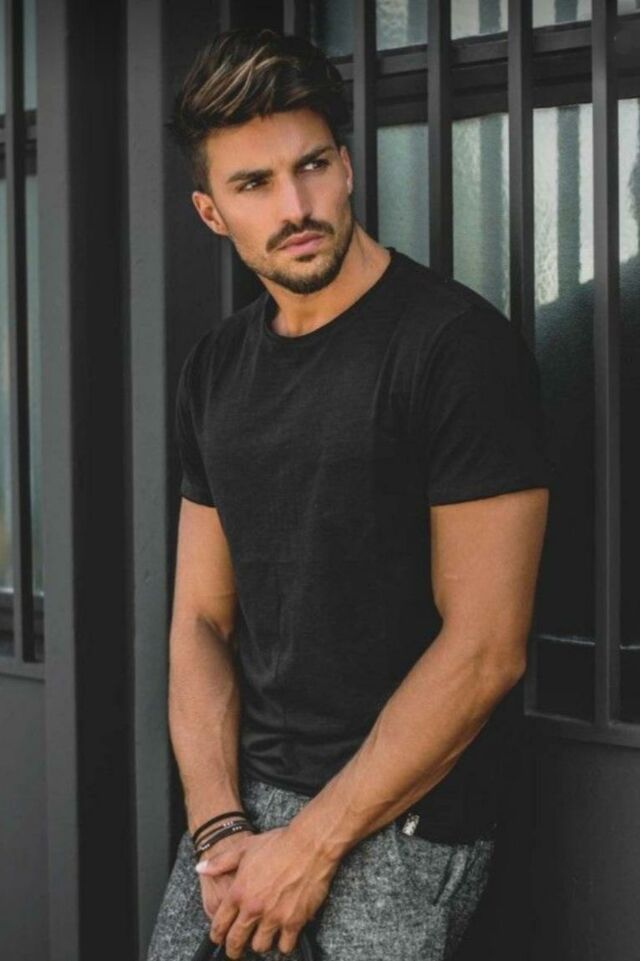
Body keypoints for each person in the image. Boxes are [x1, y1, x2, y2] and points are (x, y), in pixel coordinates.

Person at [146, 26, 554, 961]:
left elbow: (486, 649)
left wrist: (313, 845)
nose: (297, 206)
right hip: (245, 807)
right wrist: (219, 827)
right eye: (255, 184)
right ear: (212, 213)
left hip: (403, 814)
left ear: (347, 165)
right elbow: (200, 618)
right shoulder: (215, 368)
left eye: (313, 166)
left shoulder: (456, 351)